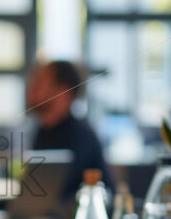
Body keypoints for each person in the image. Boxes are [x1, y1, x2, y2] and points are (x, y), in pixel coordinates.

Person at [26, 61, 114, 201]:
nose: (32, 87)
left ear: (63, 93)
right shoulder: (42, 131)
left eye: (40, 81)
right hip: (47, 218)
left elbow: (54, 193)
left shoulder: (81, 135)